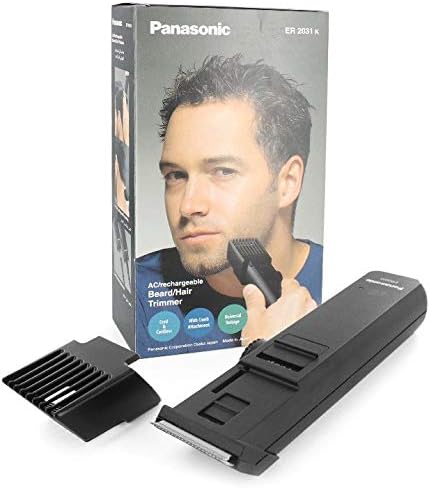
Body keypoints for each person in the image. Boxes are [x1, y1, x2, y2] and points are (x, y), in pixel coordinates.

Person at [136, 54, 322, 356]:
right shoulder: (137, 294)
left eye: (223, 171)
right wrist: (265, 352)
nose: (188, 206)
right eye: (176, 175)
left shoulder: (343, 281)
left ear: (287, 182)